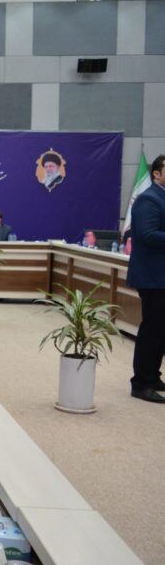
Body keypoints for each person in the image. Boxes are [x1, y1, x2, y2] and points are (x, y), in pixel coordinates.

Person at [126, 154, 165, 404]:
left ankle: (153, 376)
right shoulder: (148, 199)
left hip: (161, 277)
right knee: (152, 330)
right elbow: (148, 235)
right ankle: (140, 383)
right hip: (152, 277)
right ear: (156, 174)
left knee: (161, 331)